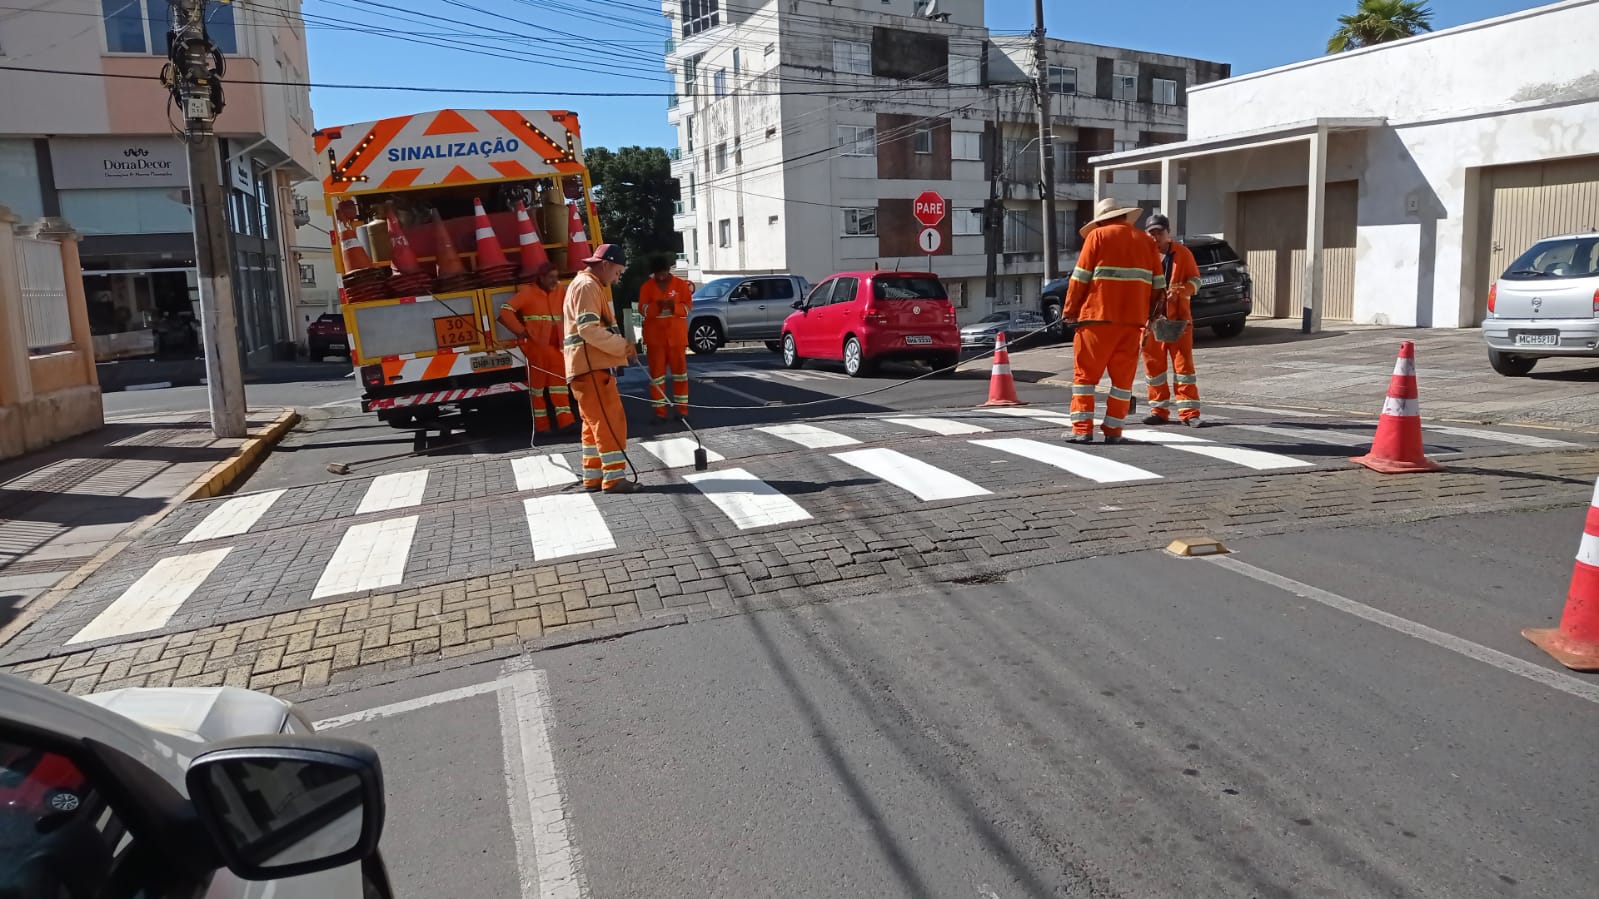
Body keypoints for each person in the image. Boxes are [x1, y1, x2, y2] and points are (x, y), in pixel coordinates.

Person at [1060, 197, 1166, 444]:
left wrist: (1070, 311)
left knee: (1085, 378)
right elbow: (1159, 285)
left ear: (1102, 220)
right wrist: (1151, 315)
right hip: (1132, 324)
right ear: (1123, 216)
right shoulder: (1147, 242)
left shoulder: (1096, 238)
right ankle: (1114, 430)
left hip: (1097, 320)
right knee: (1122, 381)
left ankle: (1082, 429)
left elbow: (1080, 278)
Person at [562, 243, 639, 494]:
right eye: (617, 272)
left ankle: (593, 476)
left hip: (583, 368)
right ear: (605, 265)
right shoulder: (587, 287)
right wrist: (623, 347)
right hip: (591, 367)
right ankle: (614, 478)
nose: (617, 278)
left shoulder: (584, 284)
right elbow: (588, 330)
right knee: (609, 421)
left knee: (593, 423)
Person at [498, 261, 576, 437]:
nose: (554, 281)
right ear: (541, 278)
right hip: (536, 349)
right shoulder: (528, 293)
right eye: (551, 278)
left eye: (556, 277)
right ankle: (542, 428)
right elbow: (505, 310)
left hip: (556, 348)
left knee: (560, 387)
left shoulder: (560, 291)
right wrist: (520, 331)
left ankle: (566, 423)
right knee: (537, 390)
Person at [1140, 214, 1204, 426]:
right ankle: (1159, 411)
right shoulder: (1141, 256)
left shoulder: (1183, 254)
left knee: (1183, 367)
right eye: (1152, 233)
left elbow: (1196, 282)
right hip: (1151, 321)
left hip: (1179, 320)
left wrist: (1180, 291)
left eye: (1160, 233)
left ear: (1168, 233)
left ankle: (1190, 413)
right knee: (1153, 367)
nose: (1156, 237)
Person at [636, 258, 695, 424]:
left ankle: (682, 411)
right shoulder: (646, 287)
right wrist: (658, 307)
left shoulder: (681, 285)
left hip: (676, 339)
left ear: (668, 270)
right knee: (656, 378)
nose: (660, 277)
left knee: (680, 376)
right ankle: (659, 413)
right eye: (657, 274)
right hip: (655, 340)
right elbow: (643, 309)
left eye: (663, 273)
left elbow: (688, 308)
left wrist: (673, 307)